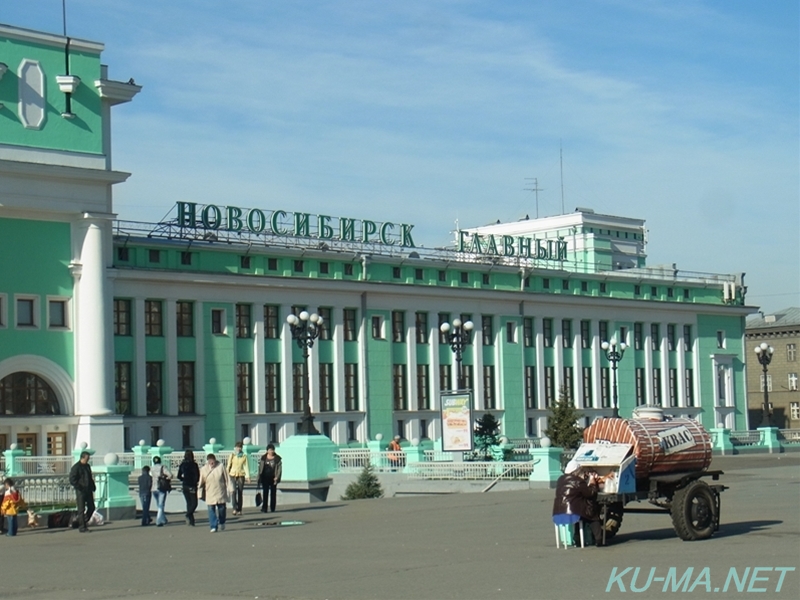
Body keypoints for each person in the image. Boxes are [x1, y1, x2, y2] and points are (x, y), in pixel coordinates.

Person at [552, 460, 604, 547]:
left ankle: (577, 540)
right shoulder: (578, 481)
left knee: (582, 513)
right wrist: (592, 481)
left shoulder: (560, 479)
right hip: (572, 512)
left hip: (557, 511)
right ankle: (599, 540)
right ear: (577, 471)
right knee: (592, 514)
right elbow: (590, 493)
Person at [199, 453, 231, 532]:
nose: (211, 463)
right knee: (211, 509)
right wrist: (199, 493)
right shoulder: (204, 469)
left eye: (213, 461)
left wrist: (230, 488)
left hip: (220, 491)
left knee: (222, 509)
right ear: (208, 462)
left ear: (215, 460)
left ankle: (222, 522)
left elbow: (227, 478)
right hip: (209, 491)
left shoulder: (221, 467)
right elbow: (200, 482)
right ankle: (213, 526)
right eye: (210, 461)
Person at [69, 450, 96, 533]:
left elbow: (90, 477)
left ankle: (81, 522)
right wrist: (79, 487)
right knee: (81, 509)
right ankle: (82, 527)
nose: (88, 460)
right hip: (80, 491)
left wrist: (93, 486)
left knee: (92, 507)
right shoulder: (76, 467)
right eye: (87, 458)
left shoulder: (87, 466)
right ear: (82, 457)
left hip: (88, 490)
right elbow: (72, 479)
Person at [177, 450, 201, 526]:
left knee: (189, 503)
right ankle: (188, 514)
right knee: (194, 503)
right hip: (192, 485)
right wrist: (196, 481)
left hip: (185, 485)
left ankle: (191, 521)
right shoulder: (194, 465)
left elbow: (178, 476)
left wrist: (183, 479)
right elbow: (197, 475)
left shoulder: (182, 465)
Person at [257, 444, 282, 513]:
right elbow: (260, 468)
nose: (271, 451)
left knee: (273, 493)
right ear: (267, 450)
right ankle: (264, 508)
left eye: (272, 450)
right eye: (270, 450)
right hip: (265, 477)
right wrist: (259, 478)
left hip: (273, 478)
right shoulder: (263, 458)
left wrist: (277, 477)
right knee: (265, 493)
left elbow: (279, 469)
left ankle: (272, 507)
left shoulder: (277, 458)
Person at [227, 442, 250, 515]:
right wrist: (226, 474)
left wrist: (248, 476)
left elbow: (246, 466)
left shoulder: (244, 456)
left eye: (240, 447)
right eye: (237, 447)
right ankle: (234, 508)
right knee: (233, 491)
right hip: (232, 474)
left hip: (240, 474)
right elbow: (228, 465)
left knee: (240, 492)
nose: (238, 449)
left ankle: (239, 509)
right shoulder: (232, 455)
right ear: (235, 447)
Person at [150, 456, 173, 527]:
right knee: (161, 505)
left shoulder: (151, 468)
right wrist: (166, 478)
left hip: (153, 488)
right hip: (161, 488)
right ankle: (158, 521)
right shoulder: (163, 467)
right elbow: (170, 475)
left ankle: (163, 519)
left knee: (159, 504)